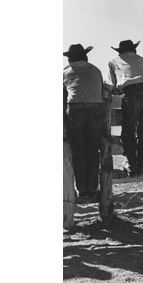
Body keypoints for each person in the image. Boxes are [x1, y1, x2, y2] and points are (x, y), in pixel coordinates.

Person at [106, 39, 143, 177]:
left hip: (131, 91)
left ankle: (131, 163)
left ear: (120, 51)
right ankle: (140, 163)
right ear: (134, 50)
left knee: (128, 130)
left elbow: (115, 85)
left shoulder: (114, 60)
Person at [63, 43, 104, 202]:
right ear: (85, 57)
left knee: (79, 151)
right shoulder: (95, 70)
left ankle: (82, 189)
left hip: (76, 111)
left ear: (70, 59)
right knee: (93, 151)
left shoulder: (65, 72)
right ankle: (92, 188)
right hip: (95, 110)